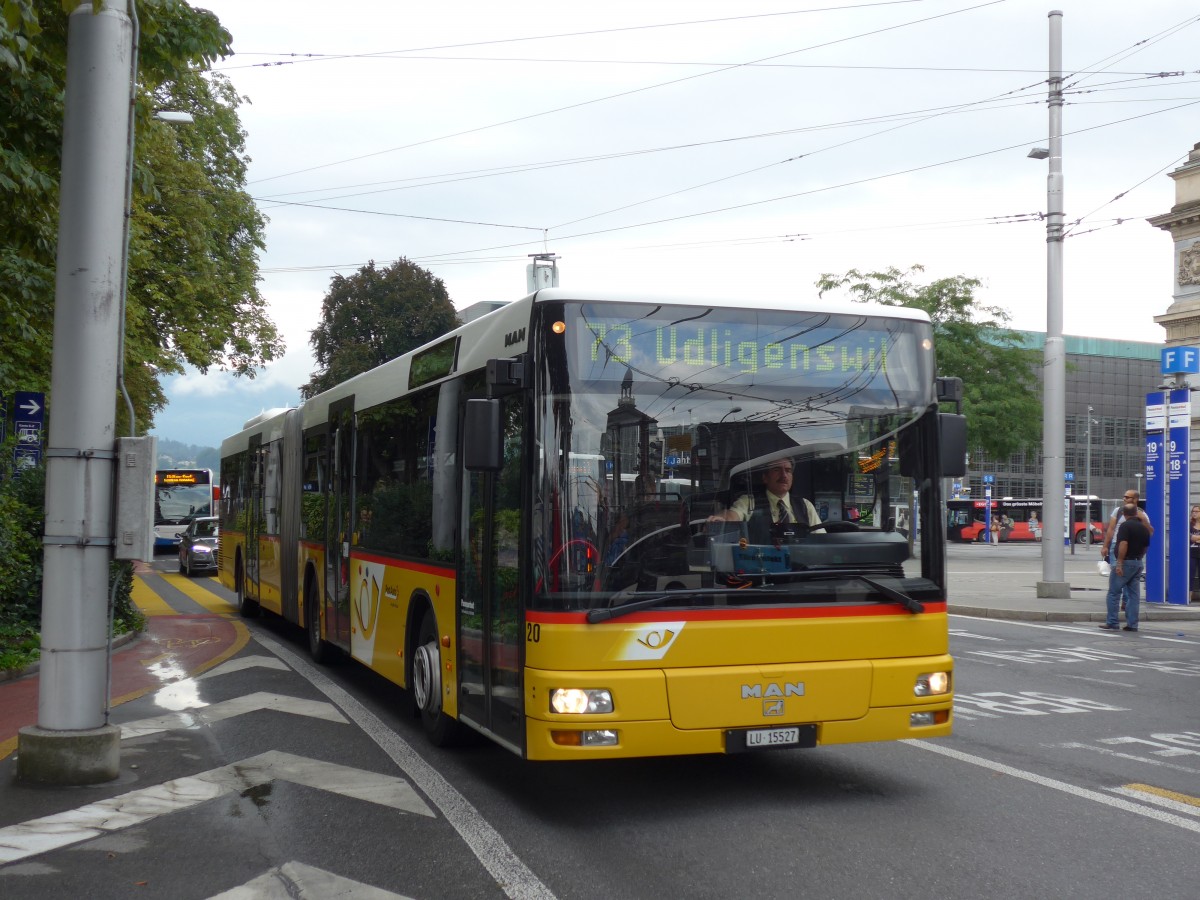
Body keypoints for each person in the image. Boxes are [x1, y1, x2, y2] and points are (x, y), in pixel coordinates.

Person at [709, 459, 821, 541]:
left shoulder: (805, 505)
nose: (784, 475)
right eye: (777, 470)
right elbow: (733, 514)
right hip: (762, 568)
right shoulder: (749, 502)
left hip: (802, 570)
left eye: (788, 471)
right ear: (765, 477)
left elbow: (821, 539)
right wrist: (721, 520)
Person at [1099, 502, 1151, 632]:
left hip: (1125, 562)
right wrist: (1139, 557)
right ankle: (1132, 624)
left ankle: (1112, 622)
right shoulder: (1144, 528)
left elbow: (1123, 544)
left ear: (1123, 514)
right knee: (1134, 596)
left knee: (1113, 593)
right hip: (1138, 562)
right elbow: (1146, 546)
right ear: (1135, 513)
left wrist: (1119, 562)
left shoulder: (1124, 526)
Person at [1190, 505, 1200, 601]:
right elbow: (1189, 538)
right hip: (1191, 553)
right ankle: (1189, 597)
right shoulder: (1189, 525)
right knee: (1190, 575)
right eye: (1193, 511)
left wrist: (1195, 538)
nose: (1194, 513)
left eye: (1197, 511)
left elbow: (1193, 538)